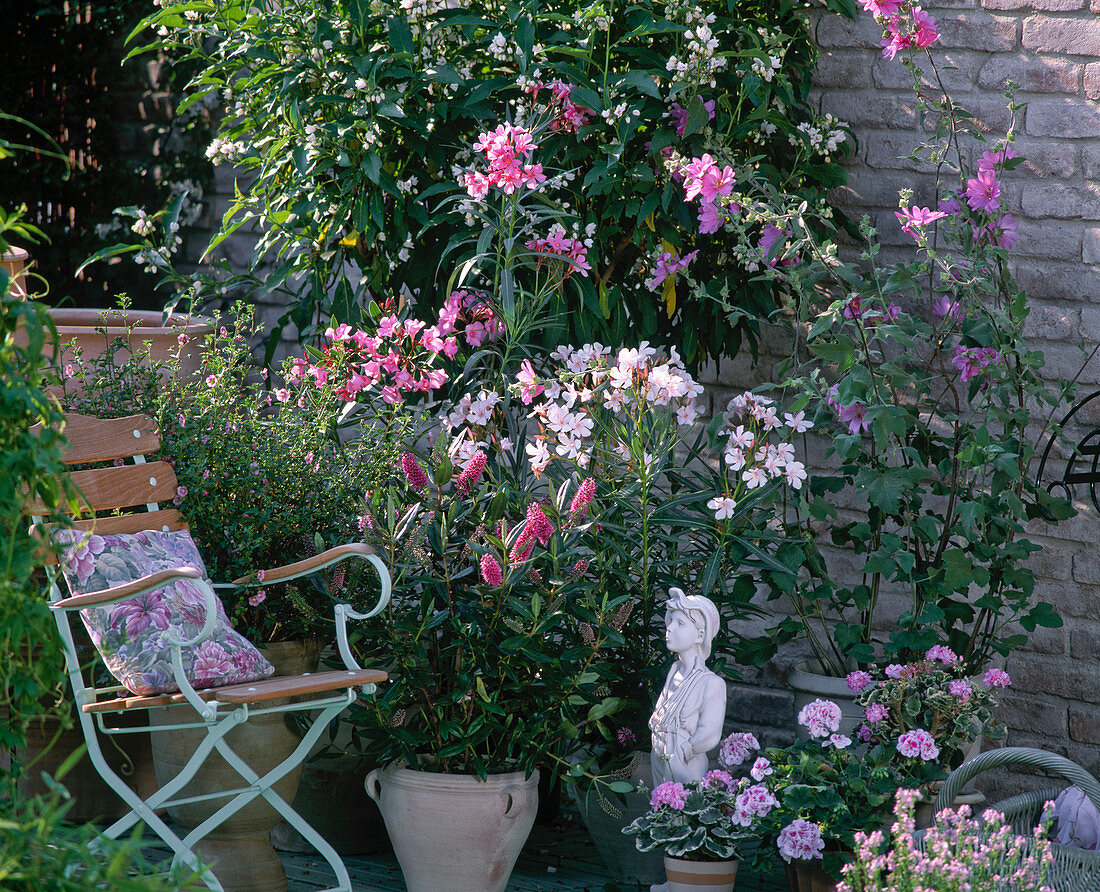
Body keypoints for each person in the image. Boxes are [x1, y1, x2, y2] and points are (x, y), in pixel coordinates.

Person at [649, 587, 727, 788]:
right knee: (658, 807)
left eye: (680, 623)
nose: (670, 628)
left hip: (683, 760)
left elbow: (710, 731)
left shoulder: (711, 683)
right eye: (670, 621)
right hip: (659, 751)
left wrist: (688, 747)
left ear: (700, 635)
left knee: (681, 811)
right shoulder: (674, 671)